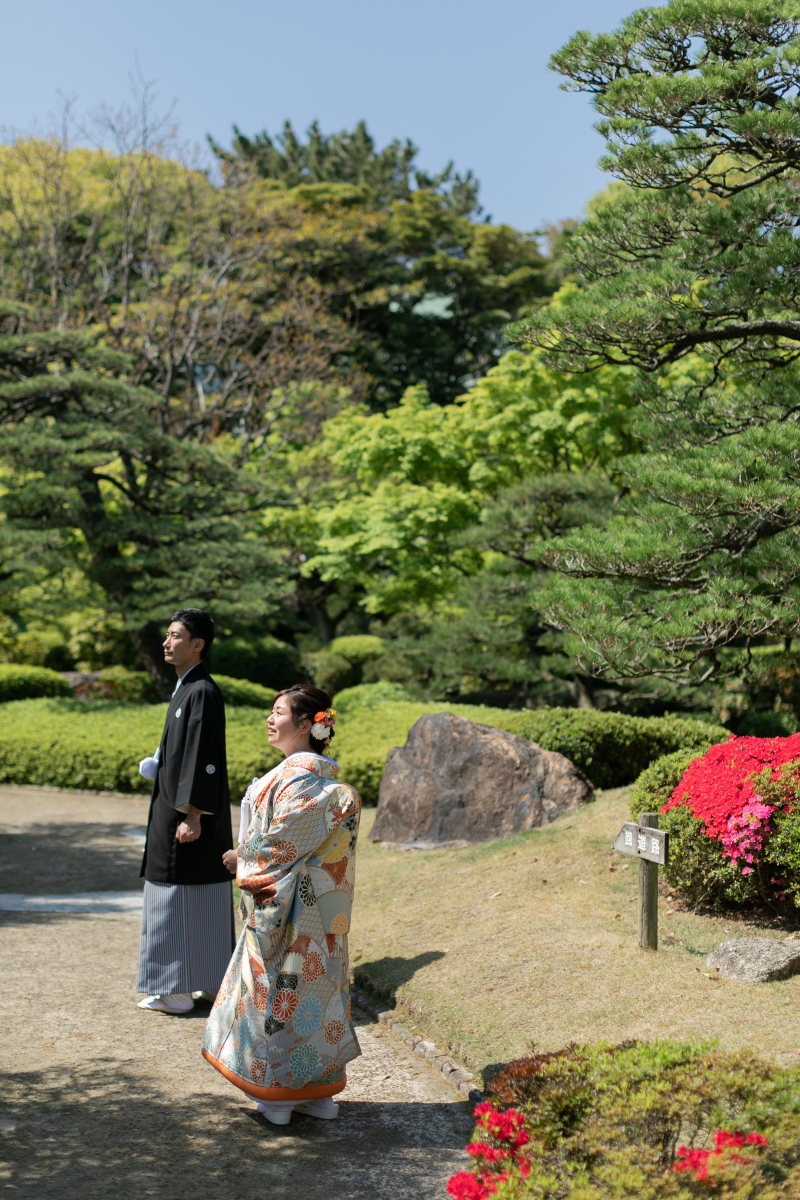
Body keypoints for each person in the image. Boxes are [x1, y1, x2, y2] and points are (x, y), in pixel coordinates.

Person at [202, 684, 362, 1125]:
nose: (270, 719)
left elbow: (281, 842)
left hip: (292, 908)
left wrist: (243, 858)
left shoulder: (303, 780)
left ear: (309, 724)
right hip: (322, 909)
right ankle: (317, 1094)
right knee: (317, 994)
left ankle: (277, 1097)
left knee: (278, 994)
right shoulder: (315, 777)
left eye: (279, 712)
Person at [136, 608, 235, 1014]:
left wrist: (193, 815)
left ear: (198, 645)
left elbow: (202, 756)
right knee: (198, 893)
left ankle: (175, 990)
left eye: (176, 636)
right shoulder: (188, 688)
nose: (166, 641)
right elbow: (183, 751)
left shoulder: (201, 691)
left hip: (187, 816)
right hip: (182, 811)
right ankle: (212, 983)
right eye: (168, 635)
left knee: (174, 891)